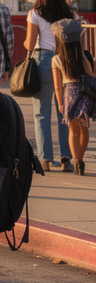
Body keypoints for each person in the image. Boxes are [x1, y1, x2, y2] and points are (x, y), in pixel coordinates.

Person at [25, 0, 73, 172]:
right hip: (64, 60)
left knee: (41, 112)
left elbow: (29, 44)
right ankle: (66, 158)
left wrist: (26, 45)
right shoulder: (67, 13)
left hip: (43, 60)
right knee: (64, 111)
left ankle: (45, 159)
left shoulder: (35, 13)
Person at [52, 18, 94, 176]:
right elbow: (90, 75)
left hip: (69, 94)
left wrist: (60, 103)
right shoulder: (84, 56)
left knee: (73, 130)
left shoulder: (56, 59)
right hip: (84, 93)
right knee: (84, 129)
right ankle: (80, 160)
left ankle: (76, 161)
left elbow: (57, 86)